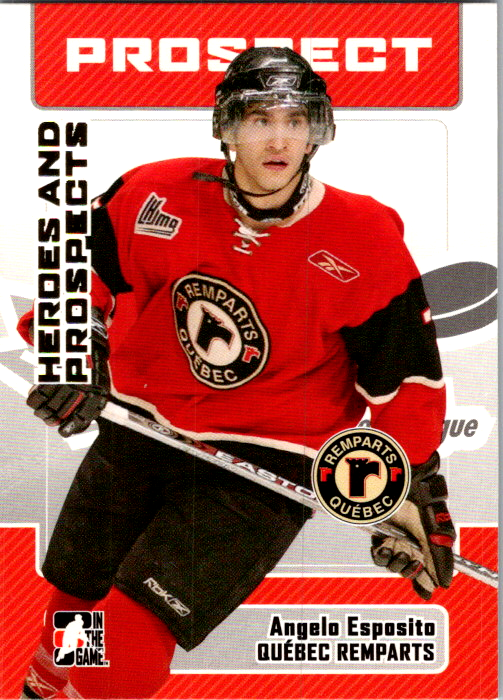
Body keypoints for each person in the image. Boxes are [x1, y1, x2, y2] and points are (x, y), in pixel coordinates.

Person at [18, 47, 455, 700]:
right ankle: (48, 682)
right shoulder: (152, 193)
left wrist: (413, 488)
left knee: (134, 625)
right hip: (143, 426)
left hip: (266, 463)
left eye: (295, 120)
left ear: (317, 130)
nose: (278, 139)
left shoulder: (363, 236)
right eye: (258, 119)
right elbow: (77, 279)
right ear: (226, 126)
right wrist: (71, 356)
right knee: (79, 594)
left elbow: (407, 384)